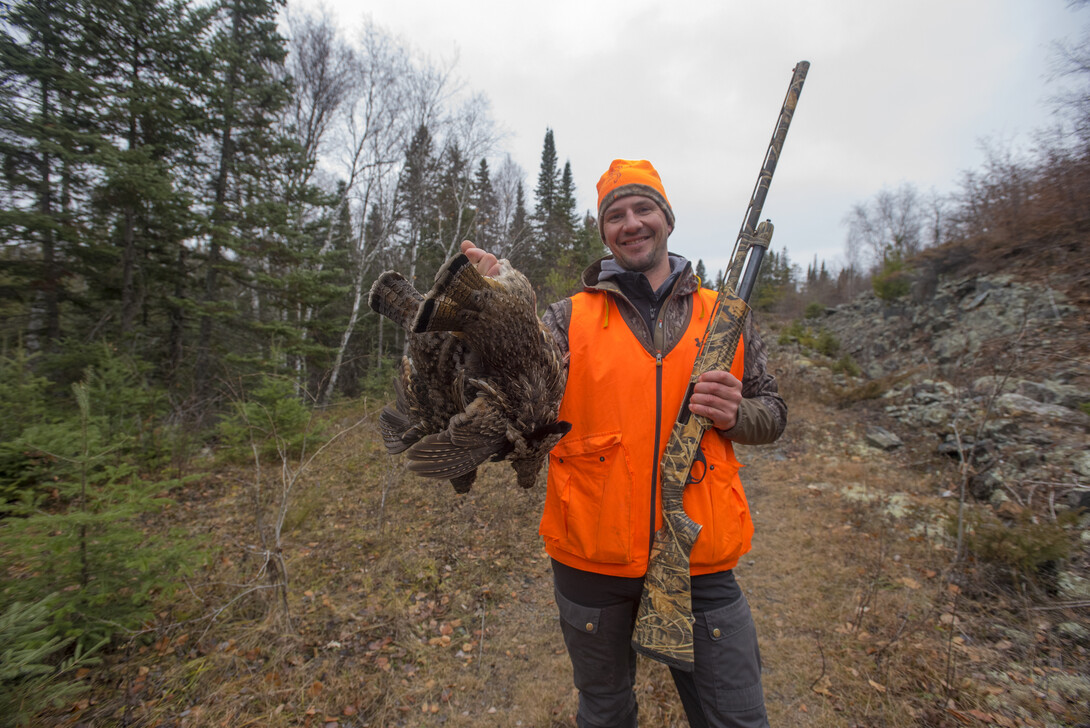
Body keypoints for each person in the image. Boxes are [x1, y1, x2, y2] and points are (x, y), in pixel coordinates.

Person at [461, 159, 786, 728]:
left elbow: (774, 413)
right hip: (590, 556)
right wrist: (499, 311)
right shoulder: (566, 320)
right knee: (606, 711)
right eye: (616, 215)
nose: (631, 223)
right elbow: (517, 396)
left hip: (701, 561)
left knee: (736, 717)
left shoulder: (725, 318)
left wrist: (736, 415)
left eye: (643, 209)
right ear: (604, 231)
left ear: (668, 219)